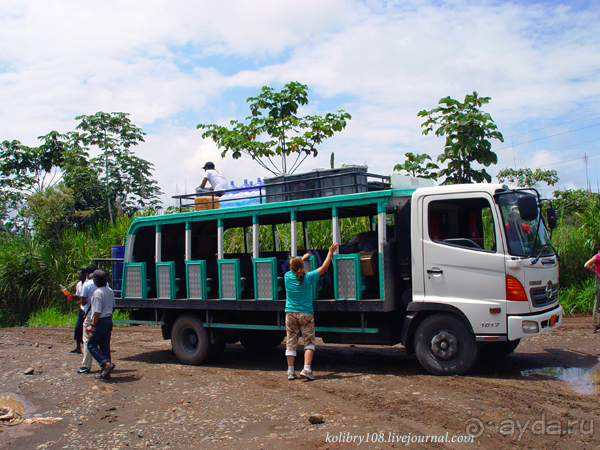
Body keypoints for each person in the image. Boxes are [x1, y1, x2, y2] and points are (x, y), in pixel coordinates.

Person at [284, 242, 338, 381]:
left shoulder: (287, 277)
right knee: (309, 343)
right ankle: (306, 369)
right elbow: (324, 267)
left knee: (291, 342)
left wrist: (302, 258)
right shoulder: (307, 278)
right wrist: (330, 251)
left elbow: (295, 267)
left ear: (291, 267)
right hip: (306, 314)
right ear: (301, 267)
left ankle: (291, 372)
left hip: (290, 314)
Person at [86, 270, 116, 380]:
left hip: (100, 321)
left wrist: (92, 325)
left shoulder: (97, 293)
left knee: (91, 345)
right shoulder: (110, 291)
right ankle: (105, 373)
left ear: (96, 281)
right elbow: (113, 306)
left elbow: (97, 312)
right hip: (108, 320)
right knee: (104, 345)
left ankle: (105, 364)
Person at [73, 264, 98, 374]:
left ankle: (86, 366)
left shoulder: (87, 285)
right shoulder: (105, 285)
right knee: (103, 342)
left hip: (90, 315)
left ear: (87, 274)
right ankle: (105, 363)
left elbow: (83, 301)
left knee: (88, 341)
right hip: (102, 316)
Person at [70, 268, 87, 354]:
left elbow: (84, 297)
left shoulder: (88, 284)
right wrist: (72, 297)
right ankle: (78, 347)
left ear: (84, 275)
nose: (78, 276)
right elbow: (79, 297)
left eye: (79, 274)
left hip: (87, 309)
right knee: (77, 327)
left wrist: (79, 297)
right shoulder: (79, 285)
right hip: (82, 308)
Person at [584, 245, 600, 334]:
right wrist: (596, 272)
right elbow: (586, 265)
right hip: (599, 281)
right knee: (597, 303)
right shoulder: (598, 256)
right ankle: (595, 325)